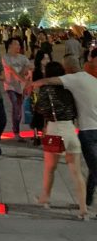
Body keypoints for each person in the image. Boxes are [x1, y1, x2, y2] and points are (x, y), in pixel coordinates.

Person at [37, 55, 97, 210]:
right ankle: (84, 208)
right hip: (71, 132)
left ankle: (45, 199)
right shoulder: (76, 86)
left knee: (50, 168)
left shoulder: (64, 84)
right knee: (78, 173)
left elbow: (42, 108)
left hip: (59, 131)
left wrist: (34, 83)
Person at [2, 38, 30, 140]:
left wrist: (24, 81)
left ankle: (17, 130)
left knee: (19, 109)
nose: (18, 47)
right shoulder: (6, 57)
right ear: (10, 46)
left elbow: (29, 66)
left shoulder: (23, 58)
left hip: (20, 87)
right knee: (15, 106)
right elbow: (12, 71)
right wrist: (23, 78)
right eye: (16, 45)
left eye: (19, 45)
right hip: (10, 86)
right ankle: (16, 132)